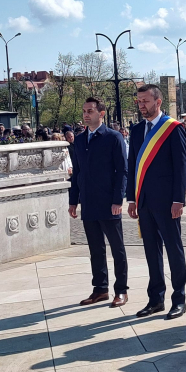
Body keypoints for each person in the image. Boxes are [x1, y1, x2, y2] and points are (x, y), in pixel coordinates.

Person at [127, 85, 186, 320]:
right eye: (139, 101)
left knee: (174, 250)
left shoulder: (173, 129)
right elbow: (132, 165)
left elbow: (181, 167)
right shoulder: (136, 130)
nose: (141, 105)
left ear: (158, 102)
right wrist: (131, 199)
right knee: (151, 252)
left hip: (167, 202)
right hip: (143, 202)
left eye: (145, 101)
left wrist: (178, 200)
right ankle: (156, 299)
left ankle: (179, 299)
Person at [68, 97, 129, 309]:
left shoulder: (113, 137)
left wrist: (118, 199)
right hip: (88, 202)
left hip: (109, 202)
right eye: (84, 111)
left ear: (101, 114)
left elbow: (122, 170)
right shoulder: (79, 140)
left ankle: (121, 290)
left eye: (90, 111)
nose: (86, 114)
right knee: (96, 249)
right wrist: (73, 201)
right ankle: (100, 289)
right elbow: (77, 172)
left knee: (117, 249)